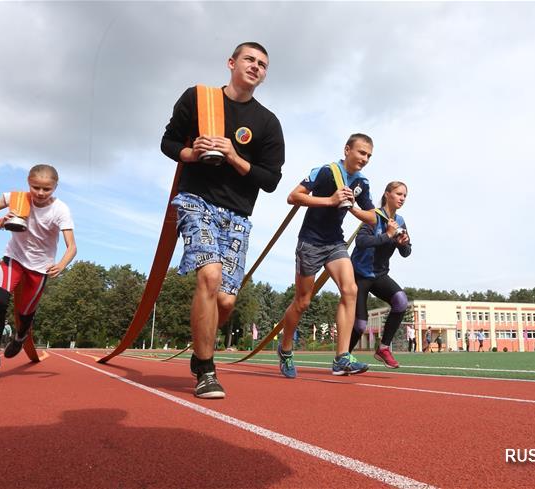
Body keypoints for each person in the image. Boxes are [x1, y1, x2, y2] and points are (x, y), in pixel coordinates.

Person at [161, 42, 285, 399]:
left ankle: (203, 344)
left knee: (227, 302)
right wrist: (191, 152)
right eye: (249, 59)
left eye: (262, 64)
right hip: (195, 201)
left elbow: (271, 180)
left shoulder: (267, 122)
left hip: (237, 216)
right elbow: (168, 143)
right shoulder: (199, 98)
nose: (256, 66)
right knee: (210, 275)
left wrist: (233, 155)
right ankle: (205, 369)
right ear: (232, 63)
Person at [276, 133, 377, 379]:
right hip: (310, 242)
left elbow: (373, 217)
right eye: (361, 152)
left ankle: (341, 357)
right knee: (303, 302)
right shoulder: (325, 171)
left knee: (350, 290)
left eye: (369, 156)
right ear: (347, 149)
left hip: (335, 242)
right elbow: (293, 197)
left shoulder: (362, 182)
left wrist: (352, 207)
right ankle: (285, 348)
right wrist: (331, 200)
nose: (364, 159)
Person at [0, 164, 76, 381]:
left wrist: (62, 264)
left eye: (46, 189)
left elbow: (72, 247)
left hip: (40, 267)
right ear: (28, 182)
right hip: (14, 259)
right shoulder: (16, 197)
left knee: (25, 313)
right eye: (35, 187)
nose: (39, 193)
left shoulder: (61, 210)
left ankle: (20, 336)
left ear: (55, 187)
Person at [348, 181, 411, 369]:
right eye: (399, 194)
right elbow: (361, 242)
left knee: (401, 301)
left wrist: (402, 243)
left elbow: (407, 252)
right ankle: (344, 356)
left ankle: (383, 348)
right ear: (387, 194)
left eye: (405, 196)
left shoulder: (400, 221)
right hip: (359, 274)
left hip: (379, 275)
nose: (402, 198)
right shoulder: (373, 216)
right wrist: (387, 236)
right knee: (360, 324)